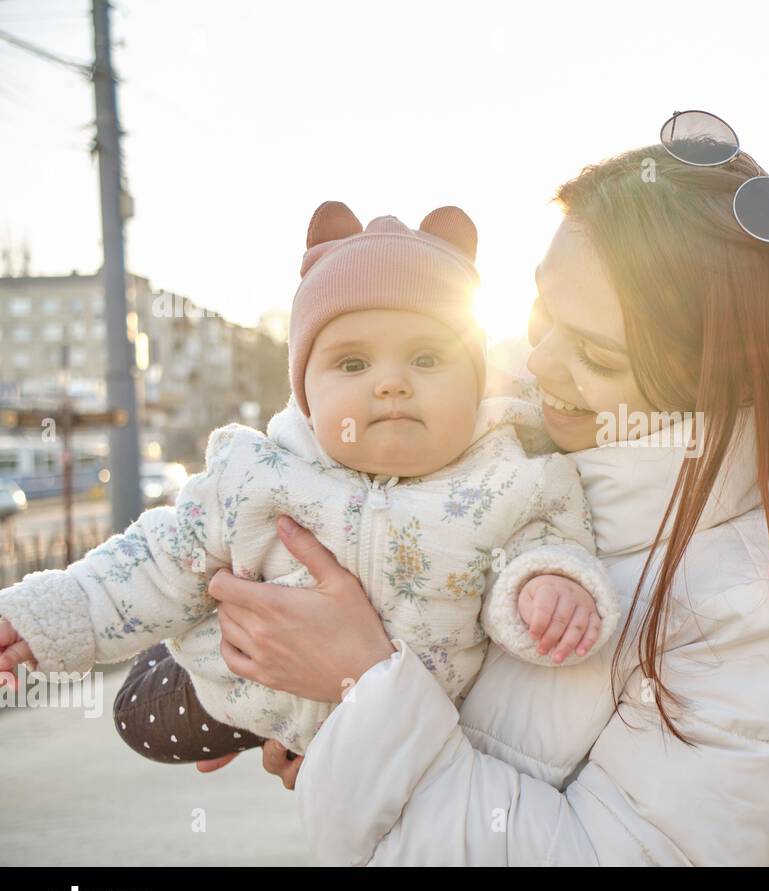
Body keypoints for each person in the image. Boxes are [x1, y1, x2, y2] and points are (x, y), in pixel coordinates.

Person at [192, 138, 769, 865]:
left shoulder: (762, 614)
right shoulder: (505, 443)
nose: (538, 361)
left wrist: (365, 688)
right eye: (540, 310)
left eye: (597, 355)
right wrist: (319, 724)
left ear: (715, 381)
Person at [0, 202, 618, 765]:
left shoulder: (512, 483)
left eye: (427, 359)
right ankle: (184, 646)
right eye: (353, 363)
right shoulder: (259, 474)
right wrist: (53, 616)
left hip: (385, 731)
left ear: (477, 379)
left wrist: (548, 588)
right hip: (246, 692)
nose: (391, 383)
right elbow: (156, 555)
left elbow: (545, 547)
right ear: (306, 393)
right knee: (142, 717)